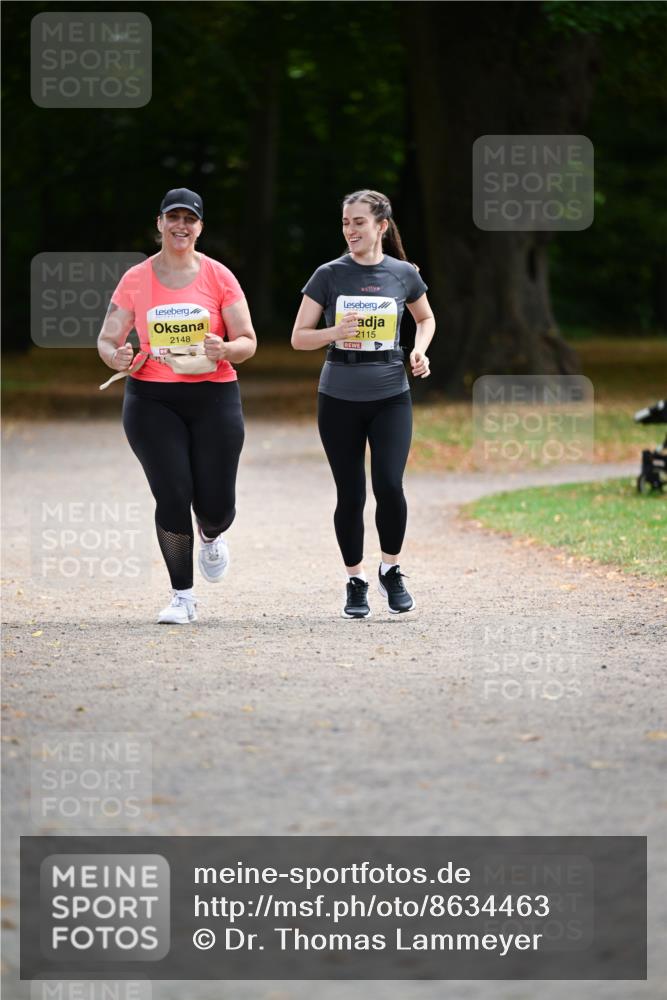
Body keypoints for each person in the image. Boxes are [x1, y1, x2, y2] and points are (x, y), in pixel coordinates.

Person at [97, 187, 257, 624]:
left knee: (216, 505)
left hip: (214, 395)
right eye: (173, 218)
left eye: (190, 219)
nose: (181, 226)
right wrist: (116, 355)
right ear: (160, 224)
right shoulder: (136, 279)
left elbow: (248, 342)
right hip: (151, 398)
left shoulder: (220, 277)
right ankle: (182, 597)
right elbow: (108, 337)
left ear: (200, 227)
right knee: (172, 492)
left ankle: (211, 534)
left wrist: (224, 347)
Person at [291, 189, 435, 619]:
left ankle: (391, 569)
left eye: (358, 222)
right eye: (345, 222)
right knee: (350, 494)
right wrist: (334, 332)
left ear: (381, 227)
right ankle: (355, 581)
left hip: (391, 395)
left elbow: (425, 318)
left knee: (389, 485)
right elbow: (299, 337)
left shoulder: (403, 273)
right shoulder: (328, 275)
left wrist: (420, 351)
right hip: (338, 397)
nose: (350, 230)